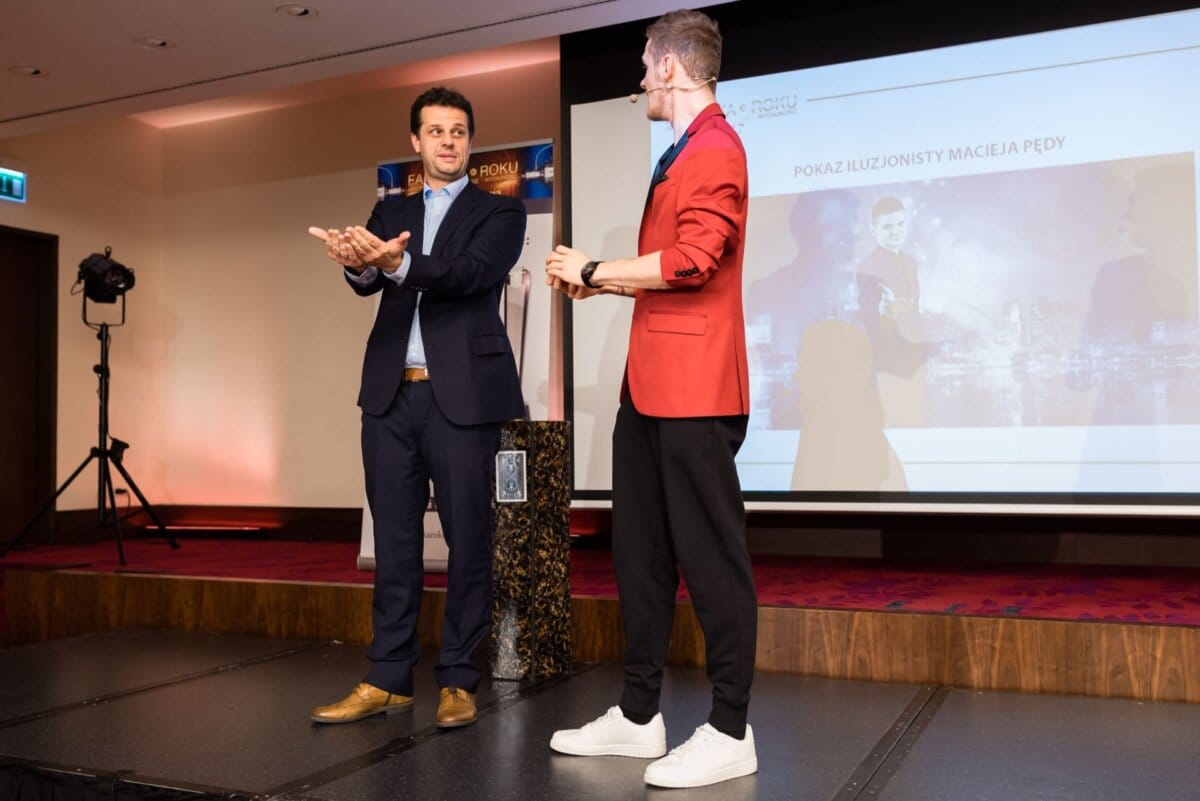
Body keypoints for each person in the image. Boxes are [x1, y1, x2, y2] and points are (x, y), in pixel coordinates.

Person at [544, 9, 757, 789]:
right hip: (652, 389)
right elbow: (673, 271)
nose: (638, 76)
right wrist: (599, 281)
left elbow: (697, 259)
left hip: (696, 393)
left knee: (712, 561)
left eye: (644, 62)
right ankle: (639, 717)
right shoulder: (684, 151)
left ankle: (732, 728)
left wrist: (599, 268)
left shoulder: (716, 149)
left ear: (671, 66)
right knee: (641, 553)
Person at [307, 86, 526, 728]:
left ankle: (459, 679)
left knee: (468, 541)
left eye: (458, 131)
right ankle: (388, 677)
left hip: (462, 398)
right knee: (395, 543)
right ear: (416, 142)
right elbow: (368, 279)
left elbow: (466, 275)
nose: (448, 141)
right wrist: (355, 264)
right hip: (389, 395)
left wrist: (396, 263)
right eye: (436, 131)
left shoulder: (498, 214)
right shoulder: (389, 210)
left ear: (469, 142)